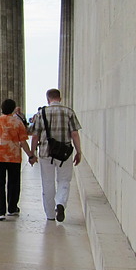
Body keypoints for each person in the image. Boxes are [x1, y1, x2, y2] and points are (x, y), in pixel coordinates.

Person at [29, 88, 82, 222]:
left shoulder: (41, 113)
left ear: (48, 99)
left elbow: (35, 136)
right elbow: (74, 134)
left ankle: (50, 215)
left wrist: (32, 153)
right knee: (64, 180)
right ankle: (60, 203)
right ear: (60, 98)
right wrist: (79, 151)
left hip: (46, 152)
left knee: (47, 183)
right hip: (64, 153)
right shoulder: (69, 112)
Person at [0, 99, 37, 220]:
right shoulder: (17, 122)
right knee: (14, 183)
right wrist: (31, 155)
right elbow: (23, 141)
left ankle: (0, 212)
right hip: (13, 157)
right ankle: (12, 208)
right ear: (14, 109)